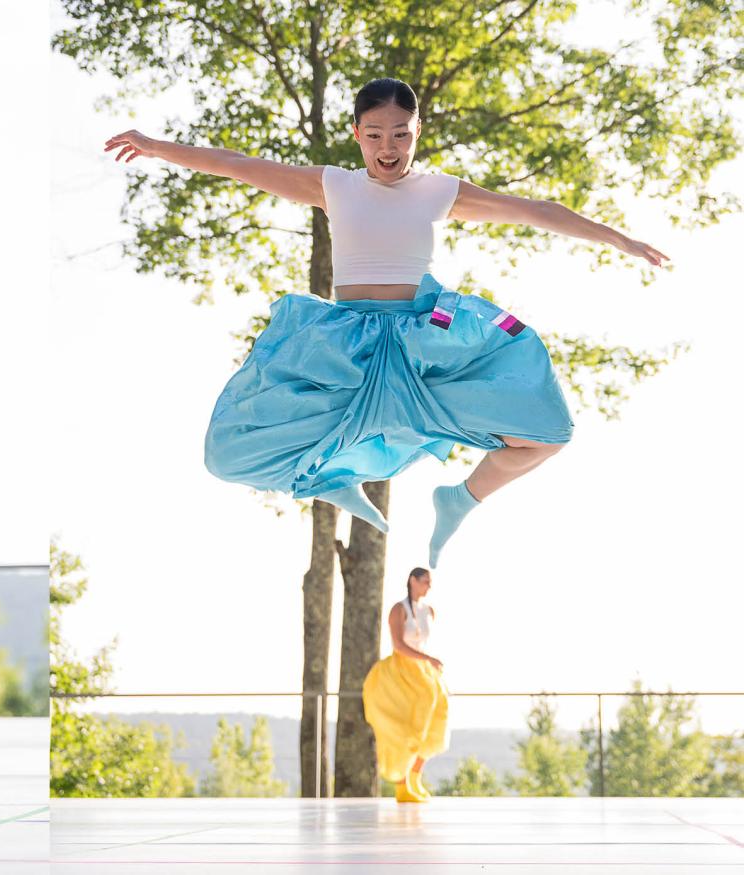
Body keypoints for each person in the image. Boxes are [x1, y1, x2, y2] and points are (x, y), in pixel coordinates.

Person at [104, 77, 667, 565]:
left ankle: (458, 500)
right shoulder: (336, 186)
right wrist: (154, 147)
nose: (388, 147)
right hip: (346, 347)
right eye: (375, 135)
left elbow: (535, 211)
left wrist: (620, 239)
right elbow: (238, 166)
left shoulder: (437, 191)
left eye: (401, 133)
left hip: (422, 349)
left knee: (547, 435)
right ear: (357, 135)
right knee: (225, 456)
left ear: (417, 131)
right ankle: (332, 481)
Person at [362, 568, 447, 803]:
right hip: (403, 671)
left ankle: (415, 777)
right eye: (425, 581)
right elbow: (399, 644)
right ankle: (402, 784)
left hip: (424, 673)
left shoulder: (429, 611)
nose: (428, 586)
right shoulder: (399, 610)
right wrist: (426, 659)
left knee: (434, 723)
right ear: (412, 581)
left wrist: (428, 662)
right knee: (406, 727)